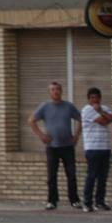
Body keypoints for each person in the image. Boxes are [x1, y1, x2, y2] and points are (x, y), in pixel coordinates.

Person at [30, 81, 82, 210]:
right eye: (53, 89)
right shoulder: (45, 107)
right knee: (52, 175)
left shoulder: (68, 106)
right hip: (52, 146)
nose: (56, 91)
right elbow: (31, 120)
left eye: (58, 89)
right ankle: (52, 200)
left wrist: (76, 136)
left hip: (67, 146)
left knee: (71, 174)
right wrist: (41, 135)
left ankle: (74, 200)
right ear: (49, 92)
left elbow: (80, 119)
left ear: (61, 91)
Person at [81, 87, 112, 212]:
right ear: (89, 99)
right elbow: (103, 121)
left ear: (100, 98)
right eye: (92, 98)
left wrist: (101, 111)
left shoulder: (104, 108)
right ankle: (87, 202)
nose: (95, 100)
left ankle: (100, 201)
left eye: (97, 97)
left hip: (105, 147)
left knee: (103, 176)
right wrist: (103, 114)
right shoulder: (87, 110)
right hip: (92, 147)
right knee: (92, 175)